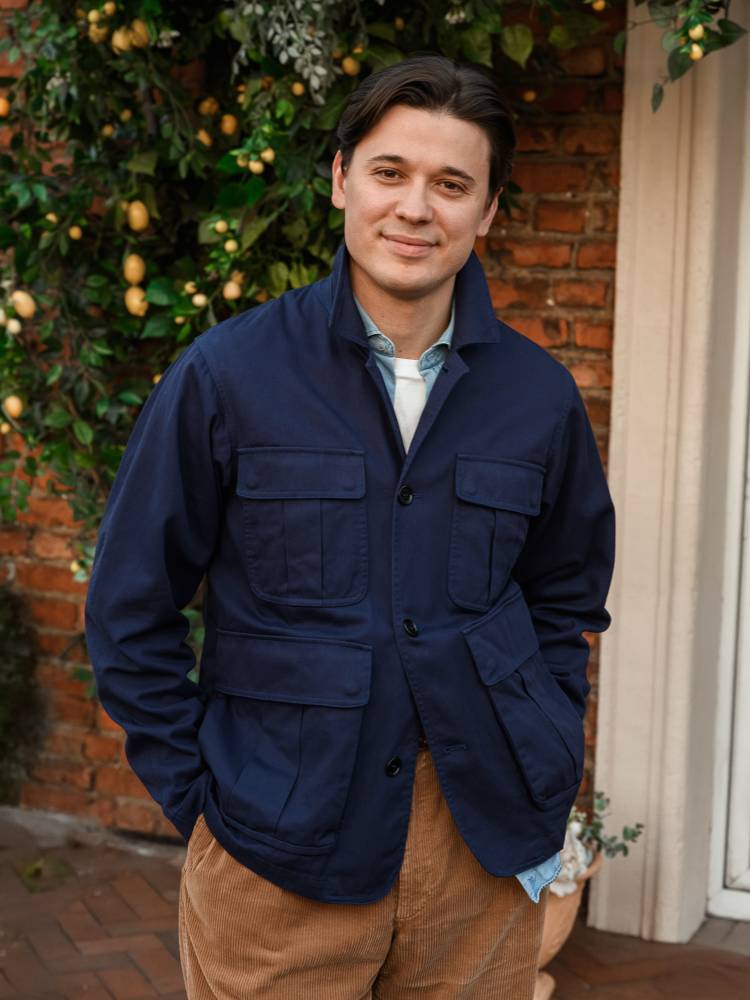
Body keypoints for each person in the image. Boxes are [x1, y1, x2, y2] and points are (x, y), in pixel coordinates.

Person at [84, 52, 615, 999]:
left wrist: (542, 743)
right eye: (390, 172)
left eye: (452, 184)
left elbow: (564, 598)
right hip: (277, 842)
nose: (416, 208)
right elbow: (130, 607)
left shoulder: (538, 397)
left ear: (488, 211)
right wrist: (202, 804)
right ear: (340, 180)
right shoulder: (227, 376)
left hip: (477, 845)